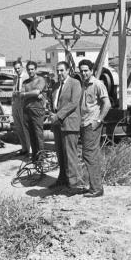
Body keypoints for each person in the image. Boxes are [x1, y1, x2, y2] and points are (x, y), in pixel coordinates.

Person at [48, 62, 85, 194]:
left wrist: (58, 115)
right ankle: (62, 179)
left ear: (68, 70)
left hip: (69, 123)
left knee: (70, 155)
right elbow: (53, 102)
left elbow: (73, 103)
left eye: (62, 70)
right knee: (60, 154)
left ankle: (74, 184)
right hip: (57, 124)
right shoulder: (56, 85)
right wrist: (51, 114)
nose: (59, 73)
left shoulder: (75, 83)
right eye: (57, 71)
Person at [79, 59, 111, 198]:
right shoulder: (83, 85)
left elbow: (107, 104)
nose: (84, 73)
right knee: (88, 155)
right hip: (83, 123)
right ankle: (93, 186)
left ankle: (97, 189)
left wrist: (98, 120)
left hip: (92, 124)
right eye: (81, 71)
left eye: (86, 70)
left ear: (91, 71)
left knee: (90, 156)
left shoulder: (98, 84)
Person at [20, 61, 46, 161]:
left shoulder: (40, 79)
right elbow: (20, 94)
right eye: (29, 69)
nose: (30, 71)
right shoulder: (25, 82)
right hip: (26, 110)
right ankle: (35, 157)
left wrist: (26, 94)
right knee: (30, 134)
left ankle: (41, 157)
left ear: (36, 69)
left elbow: (37, 91)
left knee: (38, 134)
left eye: (32, 69)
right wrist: (33, 94)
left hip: (37, 110)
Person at [11, 60, 30, 156]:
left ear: (22, 67)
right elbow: (14, 90)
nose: (17, 70)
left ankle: (29, 149)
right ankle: (24, 148)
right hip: (16, 104)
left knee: (25, 127)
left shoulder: (27, 77)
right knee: (18, 127)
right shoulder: (15, 78)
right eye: (15, 69)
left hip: (24, 104)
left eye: (18, 68)